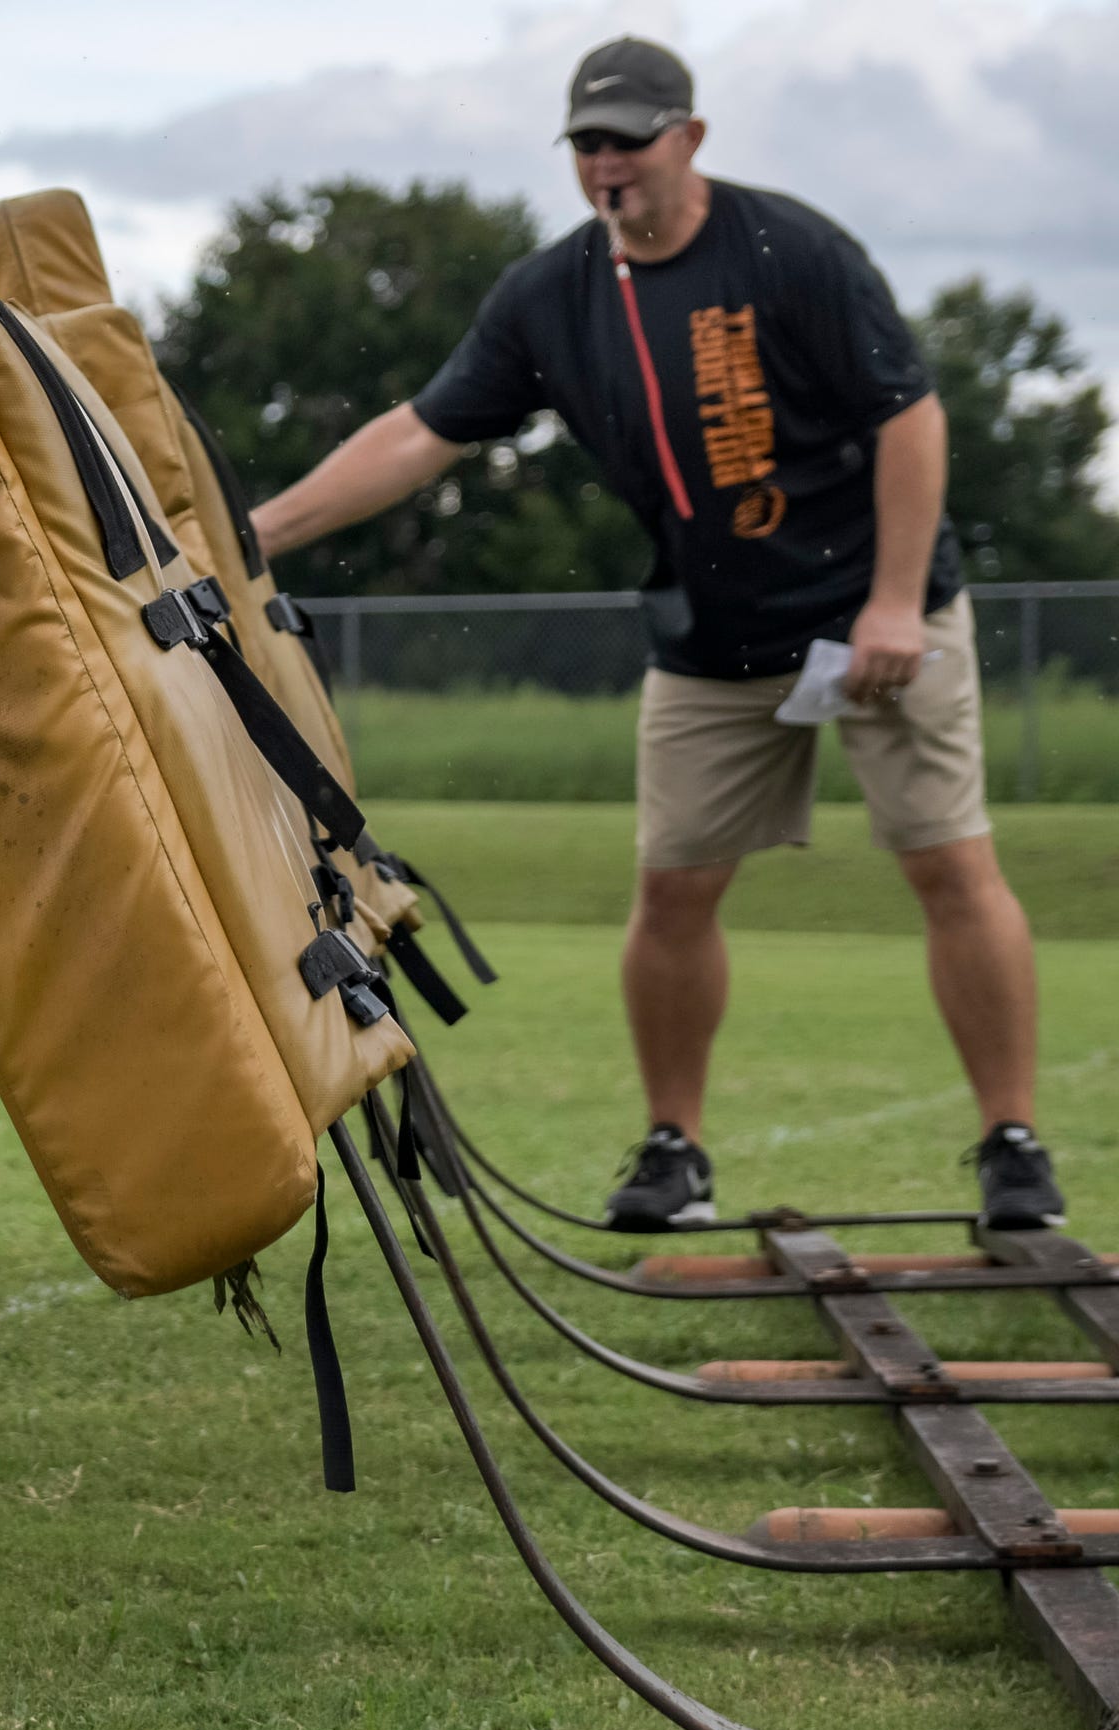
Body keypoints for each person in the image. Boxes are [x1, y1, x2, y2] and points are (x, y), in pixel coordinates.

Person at [246, 36, 1064, 1233]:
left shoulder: (789, 250)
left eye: (629, 138)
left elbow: (910, 416)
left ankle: (1010, 1146)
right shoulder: (549, 295)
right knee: (673, 891)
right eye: (586, 143)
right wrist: (250, 533)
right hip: (712, 640)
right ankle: (673, 1150)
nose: (607, 162)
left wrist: (892, 601)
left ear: (688, 138)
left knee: (947, 863)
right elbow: (419, 434)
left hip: (875, 615)